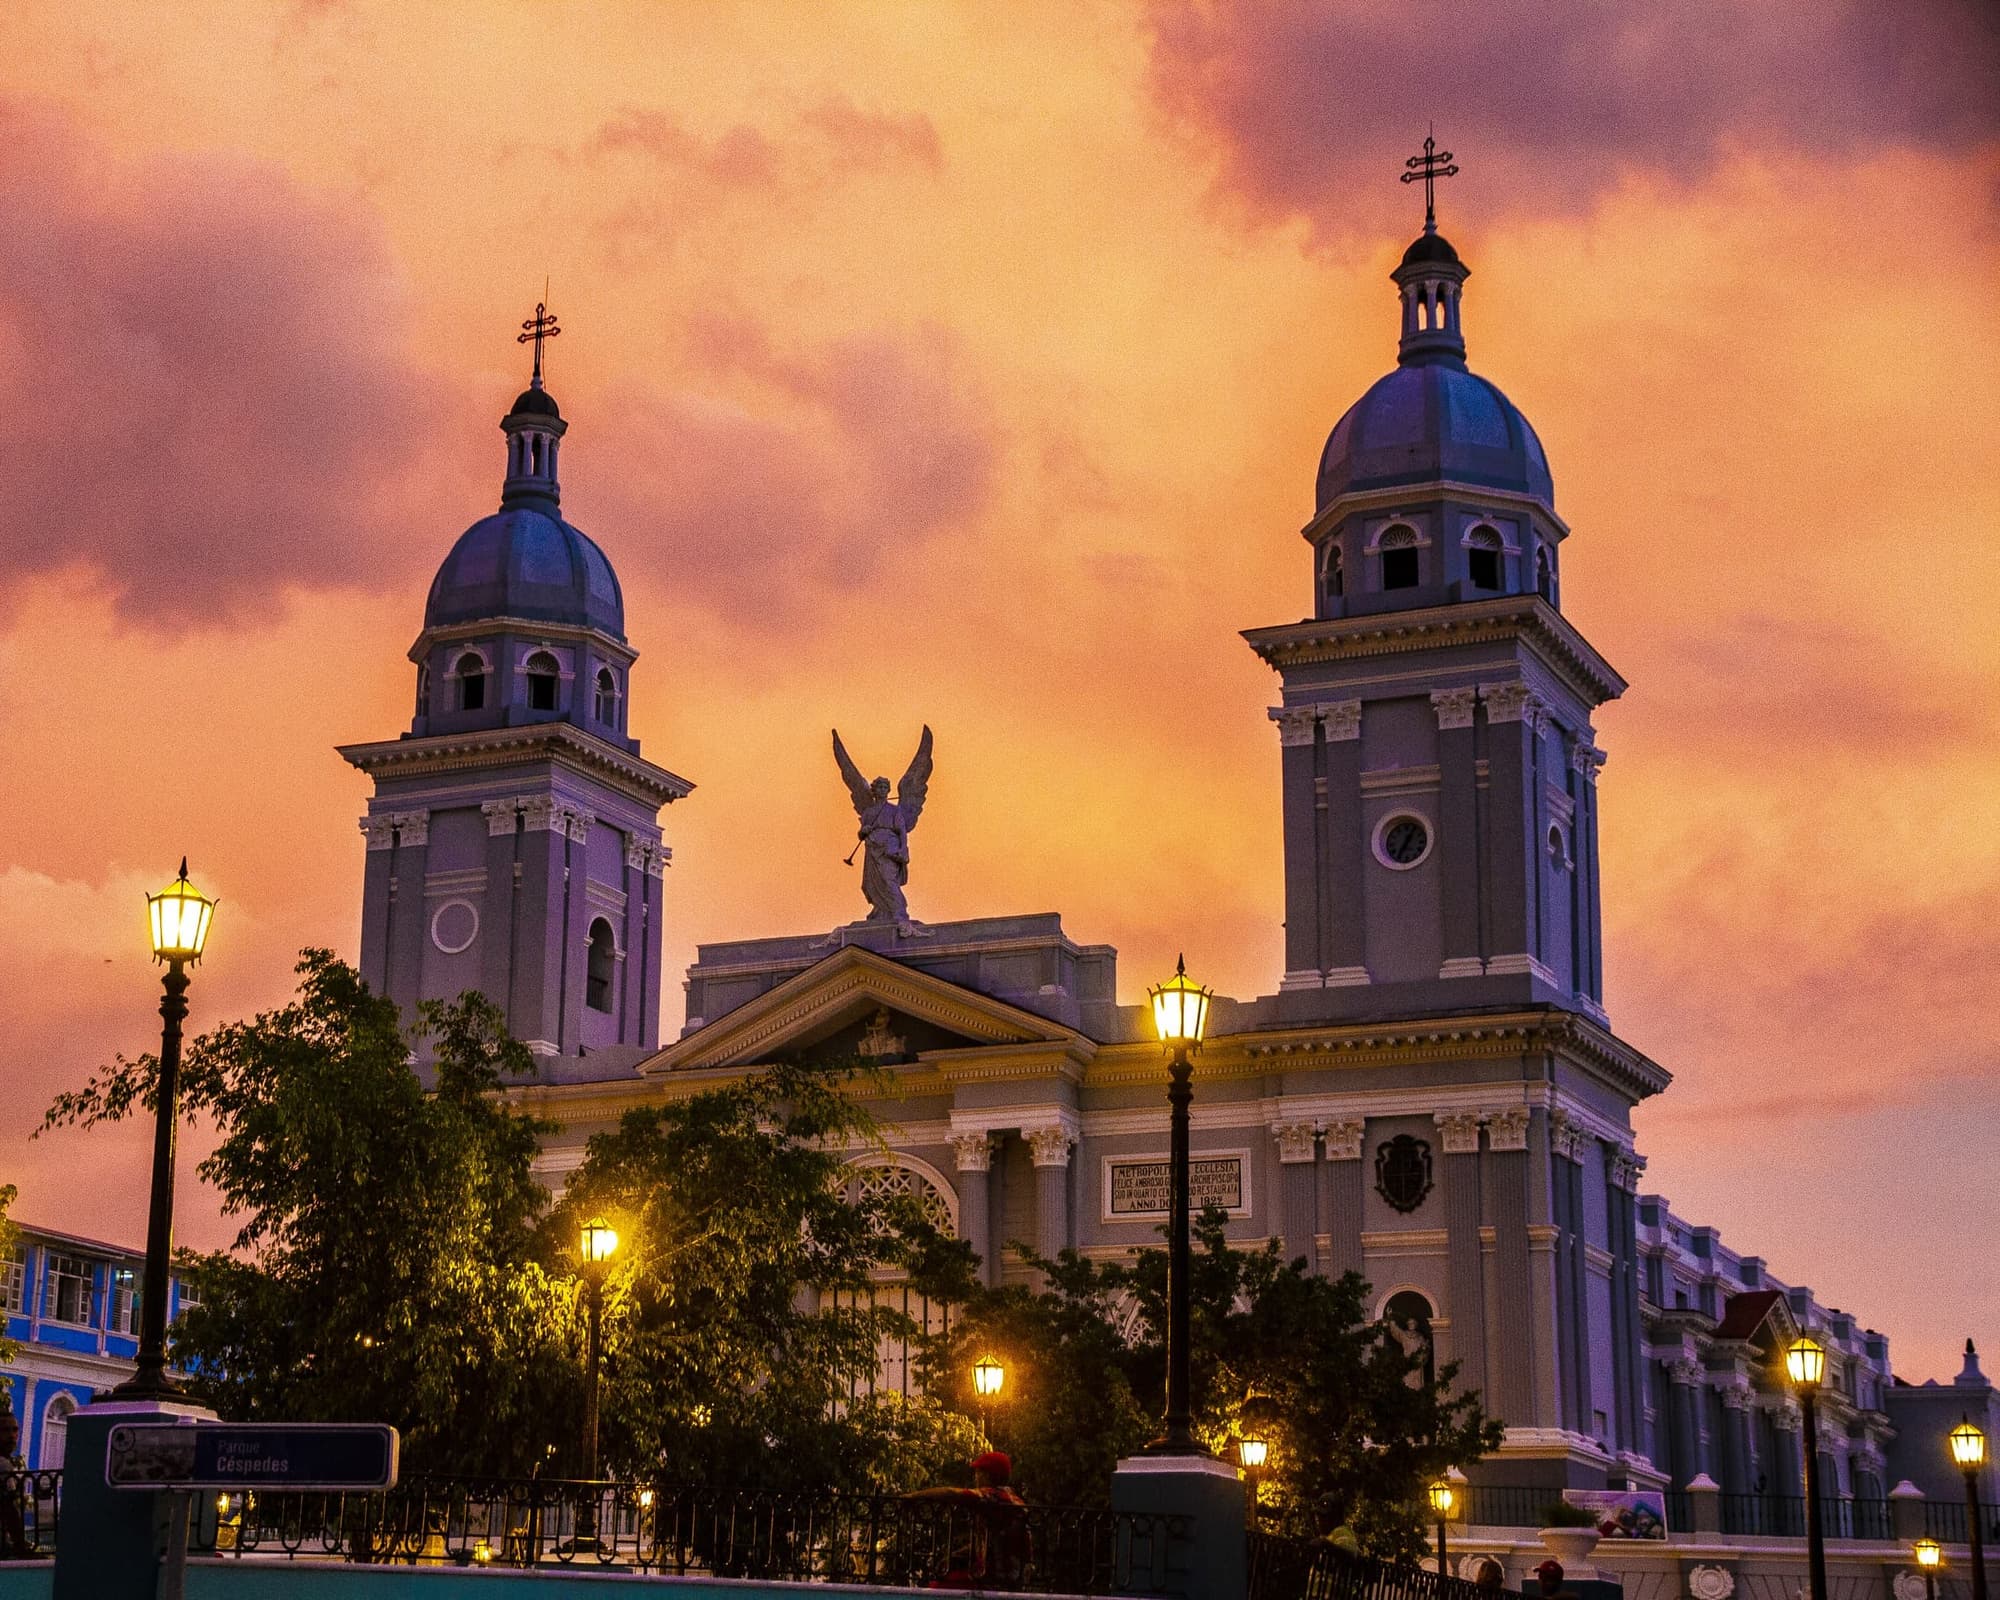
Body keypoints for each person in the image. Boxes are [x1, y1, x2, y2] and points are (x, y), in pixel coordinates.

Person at [903, 1450, 1030, 1590]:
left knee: (940, 1588)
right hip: (1006, 1575)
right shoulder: (1010, 1497)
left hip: (998, 1578)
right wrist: (954, 1556)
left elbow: (952, 1493)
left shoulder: (993, 1495)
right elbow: (989, 1542)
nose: (975, 1477)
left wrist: (914, 1496)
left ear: (987, 1475)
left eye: (978, 1472)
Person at [0, 1407, 29, 1560]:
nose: (12, 1436)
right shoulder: (3, 1465)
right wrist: (21, 1547)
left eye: (15, 1430)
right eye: (5, 1430)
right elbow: (9, 1509)